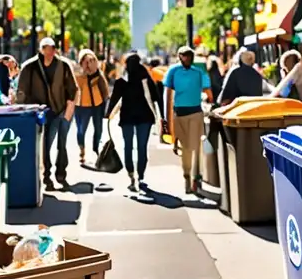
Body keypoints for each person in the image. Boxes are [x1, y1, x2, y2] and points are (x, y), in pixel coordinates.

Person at [16, 37, 77, 190]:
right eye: (46, 48)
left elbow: (72, 87)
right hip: (41, 112)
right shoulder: (30, 67)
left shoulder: (63, 65)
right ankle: (47, 175)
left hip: (61, 110)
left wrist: (69, 107)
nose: (49, 52)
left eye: (52, 48)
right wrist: (24, 110)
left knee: (62, 144)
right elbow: (22, 91)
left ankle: (61, 173)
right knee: (45, 145)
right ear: (41, 50)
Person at [106, 53, 163, 192]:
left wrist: (107, 116)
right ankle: (141, 175)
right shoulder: (146, 79)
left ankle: (131, 174)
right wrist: (161, 115)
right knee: (142, 147)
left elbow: (113, 100)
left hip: (127, 118)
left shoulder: (122, 80)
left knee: (128, 146)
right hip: (145, 118)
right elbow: (157, 97)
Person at [164, 46, 212, 194]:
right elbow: (168, 94)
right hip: (180, 113)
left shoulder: (198, 72)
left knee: (196, 147)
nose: (187, 59)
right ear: (179, 57)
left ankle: (195, 178)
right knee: (185, 148)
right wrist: (166, 118)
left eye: (189, 56)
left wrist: (210, 101)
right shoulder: (173, 71)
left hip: (195, 112)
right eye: (184, 56)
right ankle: (187, 176)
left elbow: (208, 91)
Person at [74, 49, 110, 166]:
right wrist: (83, 72)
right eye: (86, 61)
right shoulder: (77, 74)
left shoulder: (98, 74)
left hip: (97, 105)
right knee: (80, 131)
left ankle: (96, 149)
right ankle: (81, 150)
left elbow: (105, 90)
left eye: (92, 60)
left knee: (98, 129)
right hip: (81, 106)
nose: (89, 63)